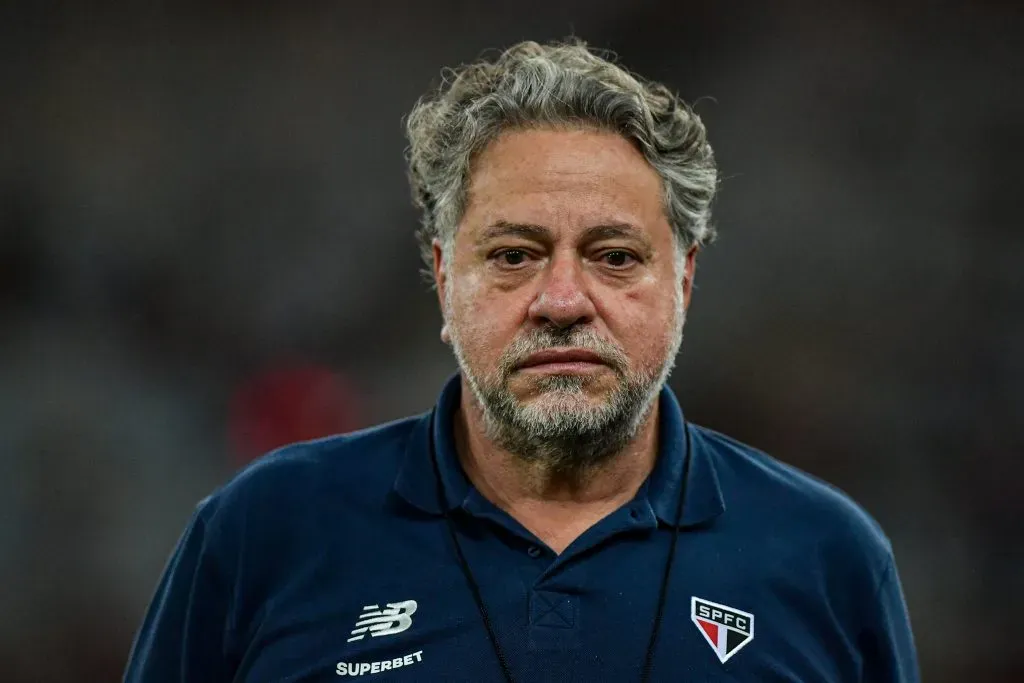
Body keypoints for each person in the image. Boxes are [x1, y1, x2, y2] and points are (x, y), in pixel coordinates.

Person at [123, 40, 919, 682]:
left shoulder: (828, 556)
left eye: (612, 256)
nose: (563, 298)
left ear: (683, 278)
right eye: (513, 255)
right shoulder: (264, 531)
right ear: (442, 276)